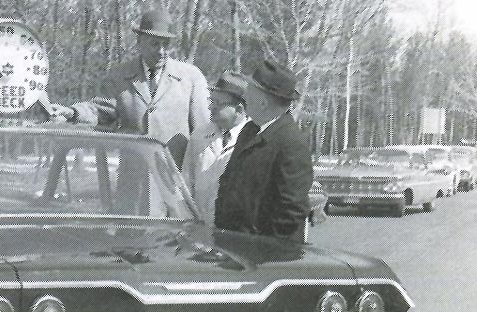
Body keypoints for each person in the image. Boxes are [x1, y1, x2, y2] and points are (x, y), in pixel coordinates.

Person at [49, 9, 210, 168]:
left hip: (174, 181)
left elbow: (203, 134)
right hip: (133, 179)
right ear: (139, 41)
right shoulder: (119, 76)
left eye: (166, 45)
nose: (161, 51)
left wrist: (200, 180)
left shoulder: (191, 78)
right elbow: (100, 110)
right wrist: (72, 112)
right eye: (155, 44)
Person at [214, 60, 312, 244]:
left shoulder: (291, 143)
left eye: (250, 89)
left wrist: (261, 247)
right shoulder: (249, 131)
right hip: (234, 248)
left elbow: (292, 211)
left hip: (268, 259)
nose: (245, 94)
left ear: (263, 102)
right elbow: (228, 185)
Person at [182, 71, 258, 226]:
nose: (211, 108)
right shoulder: (200, 135)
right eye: (211, 101)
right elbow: (186, 184)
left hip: (235, 232)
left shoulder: (255, 140)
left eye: (218, 103)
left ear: (239, 110)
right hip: (199, 228)